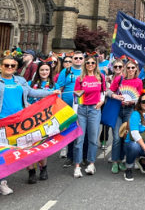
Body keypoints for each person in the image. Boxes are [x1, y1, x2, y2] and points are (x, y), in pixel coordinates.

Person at [0, 55, 59, 195]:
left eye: (12, 66)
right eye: (6, 65)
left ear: (16, 68)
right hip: (2, 123)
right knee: (2, 154)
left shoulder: (20, 80)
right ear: (1, 66)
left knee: (14, 152)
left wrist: (51, 92)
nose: (9, 68)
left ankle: (3, 181)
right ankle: (3, 182)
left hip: (20, 122)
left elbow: (33, 92)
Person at [73, 55, 106, 178]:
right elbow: (76, 97)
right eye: (88, 63)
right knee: (79, 140)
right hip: (82, 110)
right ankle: (77, 166)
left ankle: (91, 163)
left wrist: (101, 101)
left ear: (96, 64)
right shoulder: (80, 78)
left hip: (94, 110)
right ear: (85, 65)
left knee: (93, 139)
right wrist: (76, 113)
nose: (90, 64)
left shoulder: (100, 77)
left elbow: (103, 92)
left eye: (93, 62)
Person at [108, 59, 143, 174]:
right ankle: (115, 161)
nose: (131, 70)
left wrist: (133, 101)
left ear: (136, 69)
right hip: (117, 109)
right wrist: (115, 96)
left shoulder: (138, 81)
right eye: (128, 68)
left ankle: (122, 160)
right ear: (125, 69)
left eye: (133, 68)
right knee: (117, 137)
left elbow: (139, 98)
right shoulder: (120, 79)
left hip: (129, 110)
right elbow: (108, 91)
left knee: (125, 136)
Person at [26, 61, 57, 184]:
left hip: (45, 120)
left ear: (50, 72)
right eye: (42, 70)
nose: (44, 72)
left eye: (47, 70)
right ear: (38, 72)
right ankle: (31, 171)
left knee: (42, 146)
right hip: (30, 119)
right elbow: (25, 99)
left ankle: (43, 168)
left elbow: (56, 103)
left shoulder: (54, 86)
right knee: (29, 146)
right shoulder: (30, 84)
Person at [57, 51, 84, 167]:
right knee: (71, 130)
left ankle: (81, 157)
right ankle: (70, 156)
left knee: (82, 131)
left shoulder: (86, 71)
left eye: (80, 58)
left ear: (83, 60)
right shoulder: (66, 71)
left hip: (83, 105)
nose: (78, 60)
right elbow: (59, 87)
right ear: (72, 60)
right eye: (76, 58)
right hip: (67, 105)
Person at [99, 58, 125, 150]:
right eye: (116, 66)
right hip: (109, 103)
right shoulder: (109, 77)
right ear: (113, 68)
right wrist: (112, 94)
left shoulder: (124, 78)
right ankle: (104, 141)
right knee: (107, 124)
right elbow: (105, 91)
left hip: (121, 106)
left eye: (120, 66)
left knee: (119, 132)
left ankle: (117, 153)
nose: (118, 68)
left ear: (123, 67)